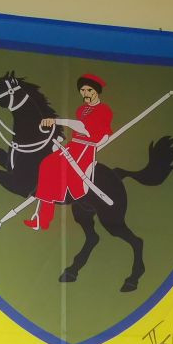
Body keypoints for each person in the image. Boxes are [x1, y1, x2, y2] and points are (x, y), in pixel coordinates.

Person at [27, 73, 113, 231]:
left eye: (89, 90)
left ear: (96, 91)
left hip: (86, 148)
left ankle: (48, 213)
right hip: (73, 146)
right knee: (47, 163)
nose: (85, 93)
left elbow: (85, 128)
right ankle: (43, 218)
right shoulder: (82, 109)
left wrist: (56, 121)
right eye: (82, 90)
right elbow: (79, 127)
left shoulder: (104, 110)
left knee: (64, 172)